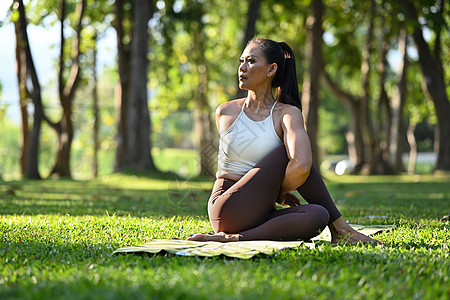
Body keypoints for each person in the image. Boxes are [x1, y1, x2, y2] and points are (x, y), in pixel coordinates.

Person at [187, 38, 380, 245]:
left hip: (259, 211)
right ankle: (342, 229)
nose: (242, 67)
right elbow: (301, 165)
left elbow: (300, 167)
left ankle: (235, 238)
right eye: (241, 61)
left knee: (318, 215)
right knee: (287, 153)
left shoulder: (286, 113)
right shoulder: (225, 112)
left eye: (251, 61)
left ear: (271, 70)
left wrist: (270, 190)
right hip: (227, 207)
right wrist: (277, 191)